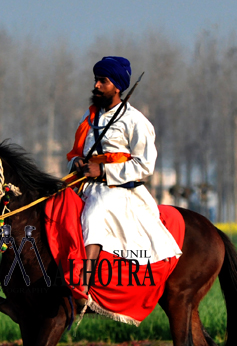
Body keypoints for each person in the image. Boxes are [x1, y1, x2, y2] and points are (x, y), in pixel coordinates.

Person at [66, 56, 182, 283]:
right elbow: (75, 153)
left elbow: (145, 165)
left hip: (117, 189)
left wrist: (104, 171)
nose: (96, 86)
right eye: (95, 80)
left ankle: (84, 284)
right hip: (83, 185)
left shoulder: (136, 121)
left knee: (94, 213)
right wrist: (76, 163)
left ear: (117, 87)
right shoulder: (88, 117)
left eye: (103, 81)